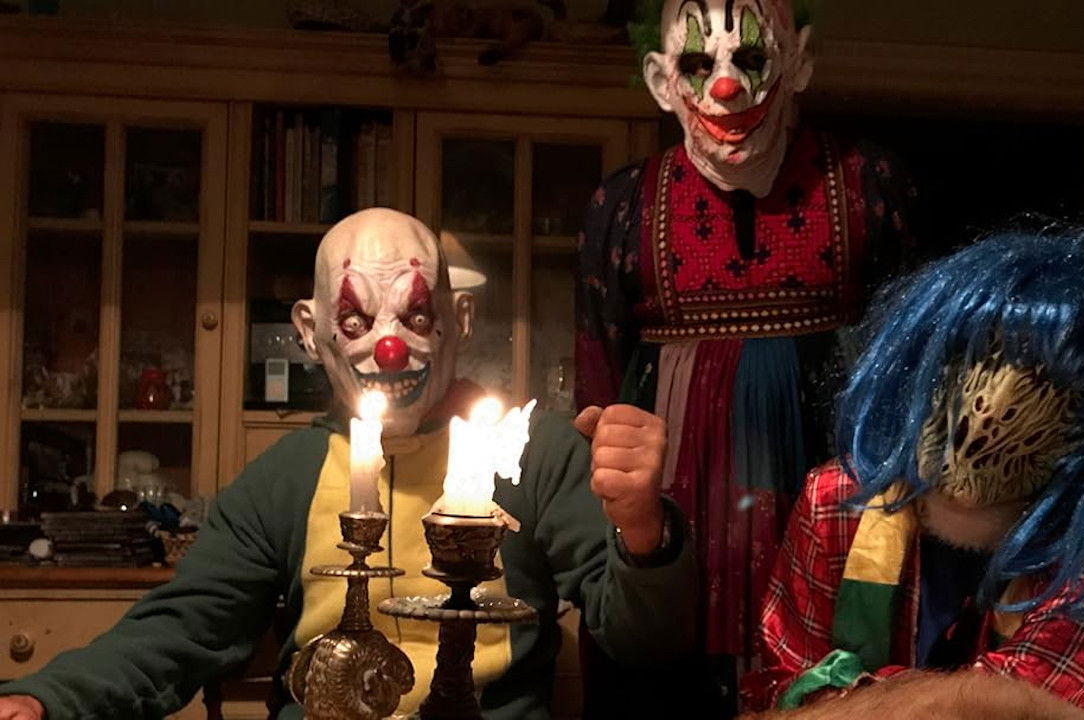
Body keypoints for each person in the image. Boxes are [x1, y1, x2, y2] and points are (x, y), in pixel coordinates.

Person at [0, 208, 696, 720]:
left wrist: (643, 529)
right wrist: (48, 698)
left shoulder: (532, 453)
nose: (388, 349)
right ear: (310, 332)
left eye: (416, 319)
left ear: (458, 319)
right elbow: (182, 629)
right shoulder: (285, 478)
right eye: (357, 323)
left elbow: (644, 641)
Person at [575, 0, 920, 710]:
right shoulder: (622, 206)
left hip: (832, 500)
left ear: (801, 63)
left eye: (753, 58)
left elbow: (916, 371)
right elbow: (598, 393)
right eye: (697, 64)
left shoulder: (870, 184)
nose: (726, 87)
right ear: (661, 81)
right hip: (672, 513)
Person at [742, 225, 1084, 715]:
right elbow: (786, 689)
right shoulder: (840, 500)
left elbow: (1017, 709)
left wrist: (846, 696)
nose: (986, 414)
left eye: (1044, 386)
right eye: (973, 359)